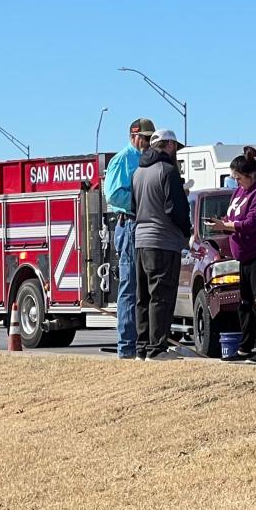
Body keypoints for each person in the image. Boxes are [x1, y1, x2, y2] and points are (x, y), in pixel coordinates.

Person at [208, 154, 256, 363]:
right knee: (245, 303)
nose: (237, 182)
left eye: (239, 178)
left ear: (252, 175)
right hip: (245, 255)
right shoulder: (240, 191)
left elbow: (253, 222)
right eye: (235, 178)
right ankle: (245, 347)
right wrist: (223, 221)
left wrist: (226, 227)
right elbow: (234, 217)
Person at [132, 129, 192, 360]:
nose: (176, 151)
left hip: (141, 239)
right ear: (168, 145)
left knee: (143, 296)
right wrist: (187, 232)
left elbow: (133, 206)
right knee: (162, 295)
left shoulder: (138, 172)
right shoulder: (167, 171)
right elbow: (175, 209)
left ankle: (142, 348)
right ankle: (157, 349)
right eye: (174, 146)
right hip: (163, 240)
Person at [100, 119, 155, 358]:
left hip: (144, 223)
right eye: (145, 138)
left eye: (151, 138)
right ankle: (127, 346)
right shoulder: (123, 159)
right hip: (129, 223)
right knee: (130, 287)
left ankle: (144, 342)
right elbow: (113, 195)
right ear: (134, 136)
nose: (148, 142)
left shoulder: (148, 158)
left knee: (145, 288)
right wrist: (140, 199)